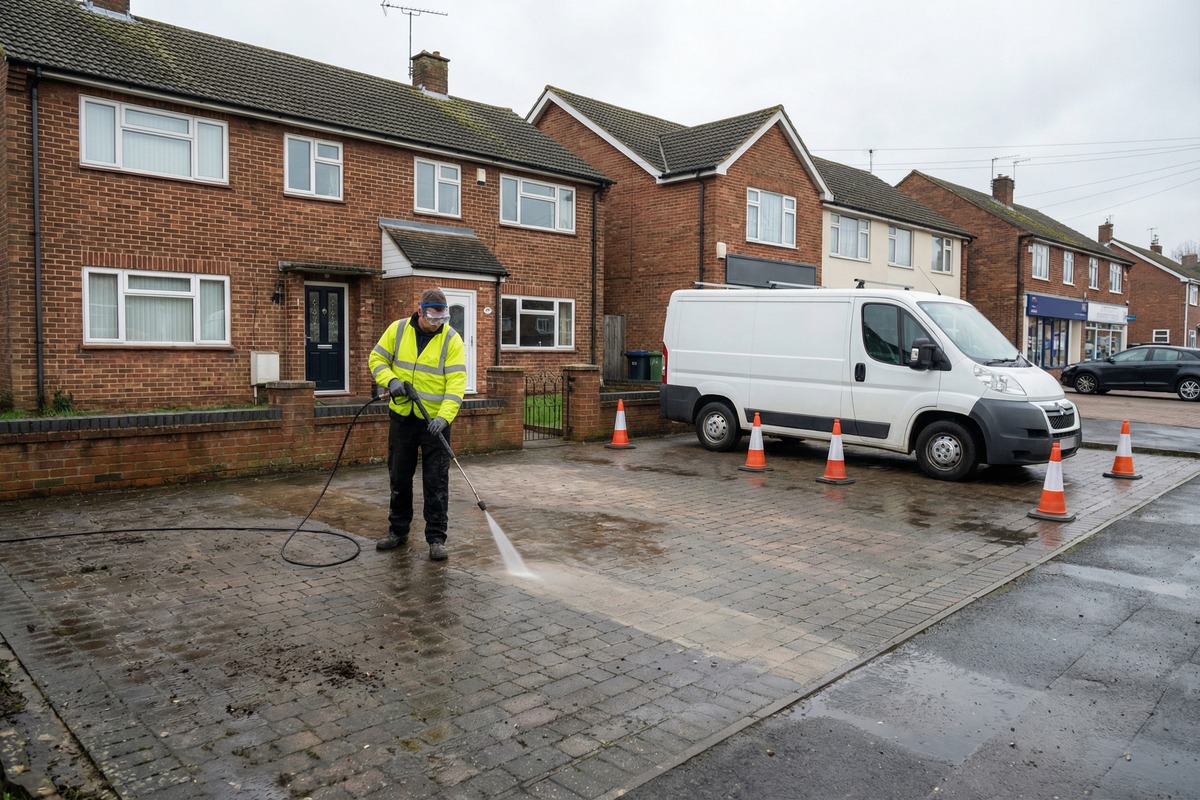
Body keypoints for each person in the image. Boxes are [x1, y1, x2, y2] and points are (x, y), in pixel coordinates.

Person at [368, 288, 466, 561]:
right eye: (433, 318)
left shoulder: (451, 339)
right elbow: (377, 359)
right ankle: (398, 532)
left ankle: (436, 539)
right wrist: (391, 381)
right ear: (420, 310)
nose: (437, 324)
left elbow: (456, 383)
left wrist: (444, 417)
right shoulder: (398, 330)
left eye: (442, 319)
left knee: (436, 482)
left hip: (435, 423)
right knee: (399, 477)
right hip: (402, 418)